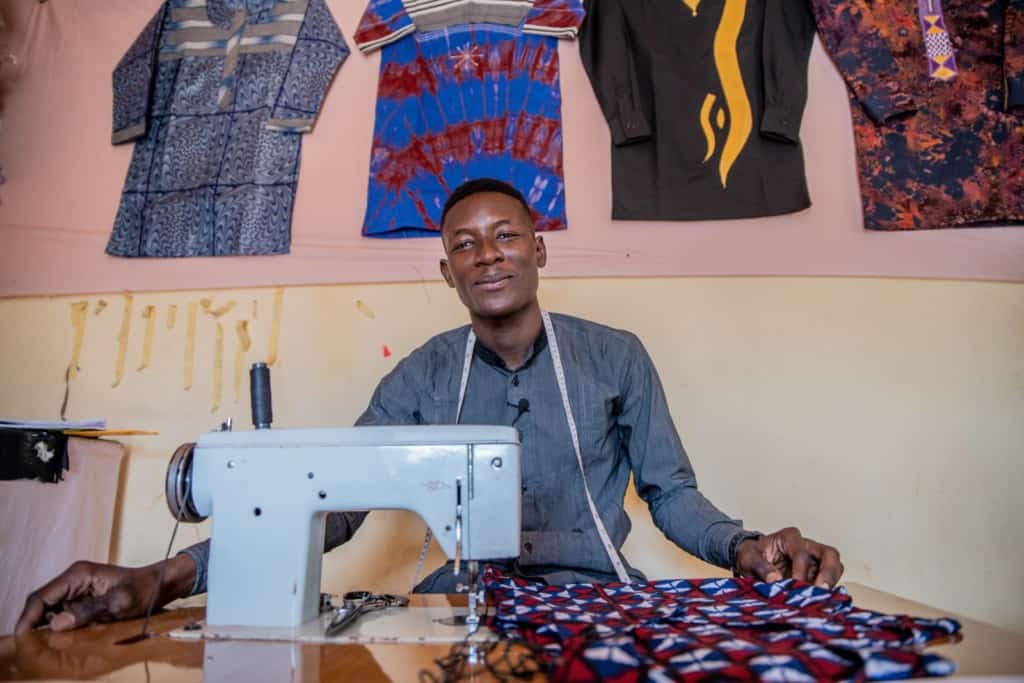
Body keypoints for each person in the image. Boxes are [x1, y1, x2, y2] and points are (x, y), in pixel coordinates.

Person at [15, 178, 843, 634]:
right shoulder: (420, 376)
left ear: (540, 247)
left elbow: (671, 493)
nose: (487, 253)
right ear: (446, 272)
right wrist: (161, 579)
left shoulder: (615, 354)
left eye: (506, 234)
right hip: (457, 602)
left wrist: (746, 547)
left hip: (598, 598)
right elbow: (327, 506)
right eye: (463, 243)